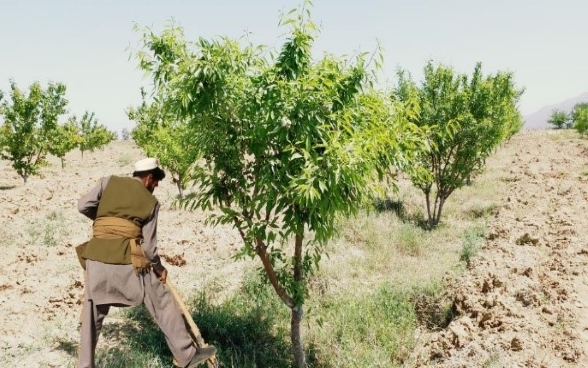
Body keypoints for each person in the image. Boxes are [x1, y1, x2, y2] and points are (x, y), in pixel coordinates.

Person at [76, 157, 216, 368]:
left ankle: (84, 365)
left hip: (95, 258)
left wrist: (107, 220)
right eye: (156, 182)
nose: (156, 187)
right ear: (149, 178)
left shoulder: (107, 182)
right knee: (162, 301)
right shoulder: (151, 203)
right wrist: (159, 268)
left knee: (91, 311)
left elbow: (82, 205)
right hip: (127, 262)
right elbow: (149, 250)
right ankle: (186, 355)